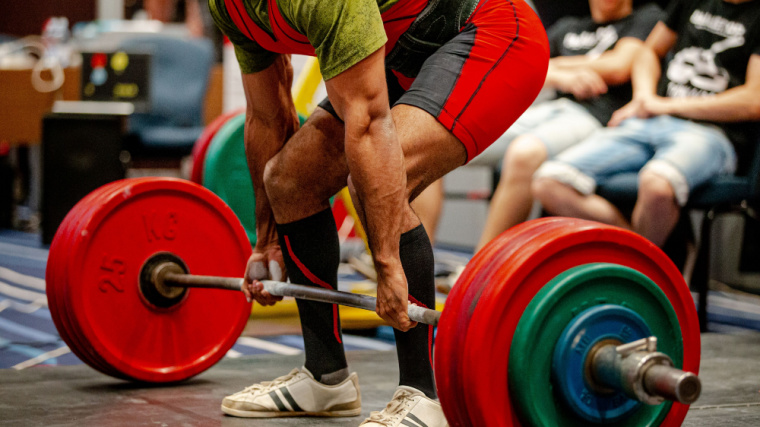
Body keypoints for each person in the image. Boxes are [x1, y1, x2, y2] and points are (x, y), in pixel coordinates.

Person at [207, 0, 549, 425]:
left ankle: (423, 396)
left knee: (380, 180)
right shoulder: (229, 6)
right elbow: (266, 115)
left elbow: (368, 123)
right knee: (290, 179)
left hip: (489, 31)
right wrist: (267, 239)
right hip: (403, 48)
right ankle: (324, 377)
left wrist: (387, 264)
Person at [415, 0, 665, 253]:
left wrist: (553, 66)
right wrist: (561, 76)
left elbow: (618, 67)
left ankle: (482, 269)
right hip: (552, 110)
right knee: (434, 144)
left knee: (524, 153)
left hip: (598, 117)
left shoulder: (646, 17)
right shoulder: (569, 27)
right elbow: (521, 63)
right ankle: (417, 260)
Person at [533, 0, 760, 249]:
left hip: (713, 133)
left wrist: (664, 105)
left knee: (657, 186)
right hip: (652, 119)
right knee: (550, 182)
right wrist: (644, 97)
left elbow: (753, 101)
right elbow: (647, 51)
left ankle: (640, 271)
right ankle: (642, 260)